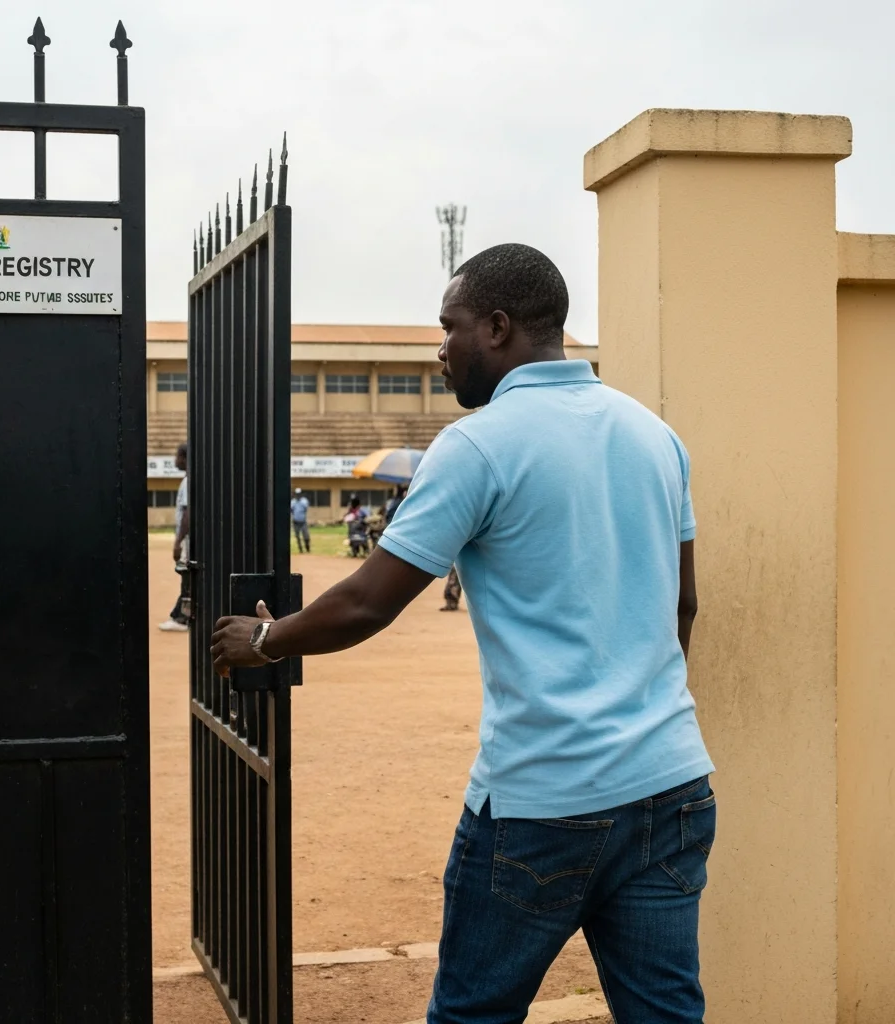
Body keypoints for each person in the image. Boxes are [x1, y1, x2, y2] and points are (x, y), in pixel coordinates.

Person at [211, 243, 713, 1024]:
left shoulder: (478, 445)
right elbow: (684, 605)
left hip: (543, 801)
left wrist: (266, 640)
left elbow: (368, 603)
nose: (440, 349)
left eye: (450, 327)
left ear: (499, 328)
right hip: (671, 784)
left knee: (472, 1016)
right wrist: (637, 713)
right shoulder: (655, 435)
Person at [158, 442, 189, 632]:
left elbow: (188, 513)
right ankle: (181, 614)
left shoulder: (188, 482)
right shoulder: (189, 479)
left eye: (177, 456)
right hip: (188, 539)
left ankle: (182, 618)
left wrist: (178, 542)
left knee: (187, 577)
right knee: (187, 577)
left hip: (188, 540)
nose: (175, 460)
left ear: (184, 458)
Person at [291, 488, 311, 553]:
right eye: (297, 494)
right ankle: (300, 550)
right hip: (295, 522)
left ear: (301, 494)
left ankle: (307, 548)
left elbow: (306, 509)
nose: (298, 495)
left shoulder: (304, 501)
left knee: (306, 536)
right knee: (297, 537)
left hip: (303, 522)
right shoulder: (293, 502)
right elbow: (291, 510)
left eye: (299, 494)